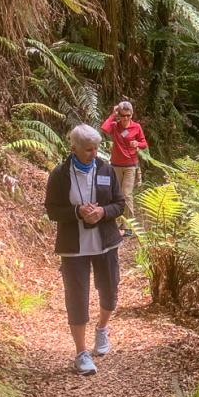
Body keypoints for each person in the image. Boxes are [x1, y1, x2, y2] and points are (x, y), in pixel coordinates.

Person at [44, 125, 125, 375]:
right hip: (73, 247)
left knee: (110, 289)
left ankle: (102, 329)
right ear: (74, 148)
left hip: (105, 243)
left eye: (96, 148)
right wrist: (78, 212)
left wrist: (102, 212)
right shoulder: (60, 175)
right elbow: (52, 210)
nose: (94, 153)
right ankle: (81, 353)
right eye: (88, 150)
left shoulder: (105, 169)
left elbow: (119, 204)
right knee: (77, 297)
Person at [101, 101, 147, 237]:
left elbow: (144, 143)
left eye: (128, 115)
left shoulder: (136, 127)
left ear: (131, 114)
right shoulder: (115, 126)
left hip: (130, 165)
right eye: (123, 115)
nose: (126, 118)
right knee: (116, 194)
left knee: (126, 195)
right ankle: (115, 222)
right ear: (119, 115)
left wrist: (137, 143)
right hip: (115, 165)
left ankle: (128, 226)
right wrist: (113, 115)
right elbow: (104, 129)